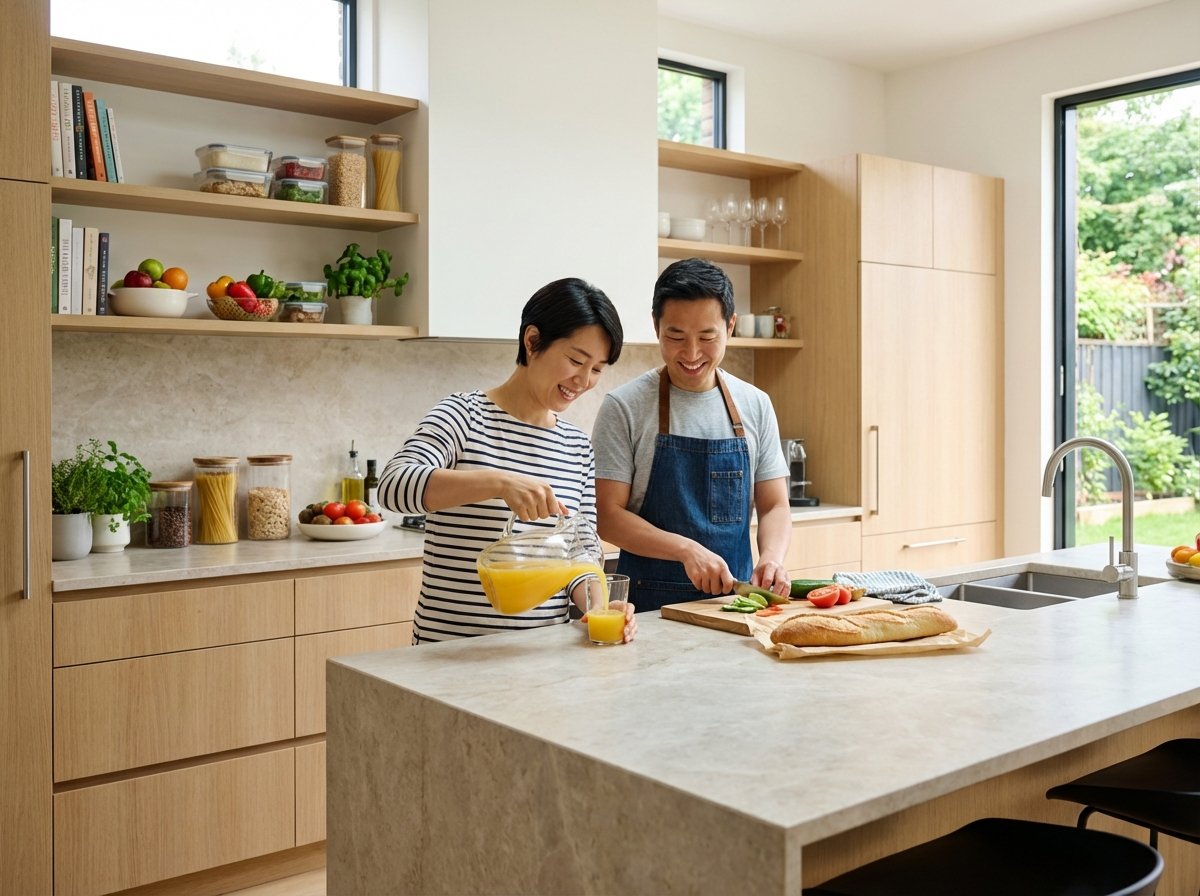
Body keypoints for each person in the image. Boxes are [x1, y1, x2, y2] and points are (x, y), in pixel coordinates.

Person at [378, 277, 636, 644]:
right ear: (532, 342)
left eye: (597, 369)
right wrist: (500, 482)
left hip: (542, 658)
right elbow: (393, 487)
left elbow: (581, 552)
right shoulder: (462, 415)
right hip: (448, 657)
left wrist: (600, 607)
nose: (583, 380)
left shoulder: (577, 446)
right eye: (576, 360)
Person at [592, 258, 792, 613]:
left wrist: (772, 558)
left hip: (735, 606)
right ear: (656, 327)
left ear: (730, 326)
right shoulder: (624, 407)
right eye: (676, 336)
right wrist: (687, 551)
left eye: (707, 336)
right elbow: (608, 516)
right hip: (649, 614)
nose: (692, 353)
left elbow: (774, 504)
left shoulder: (756, 405)